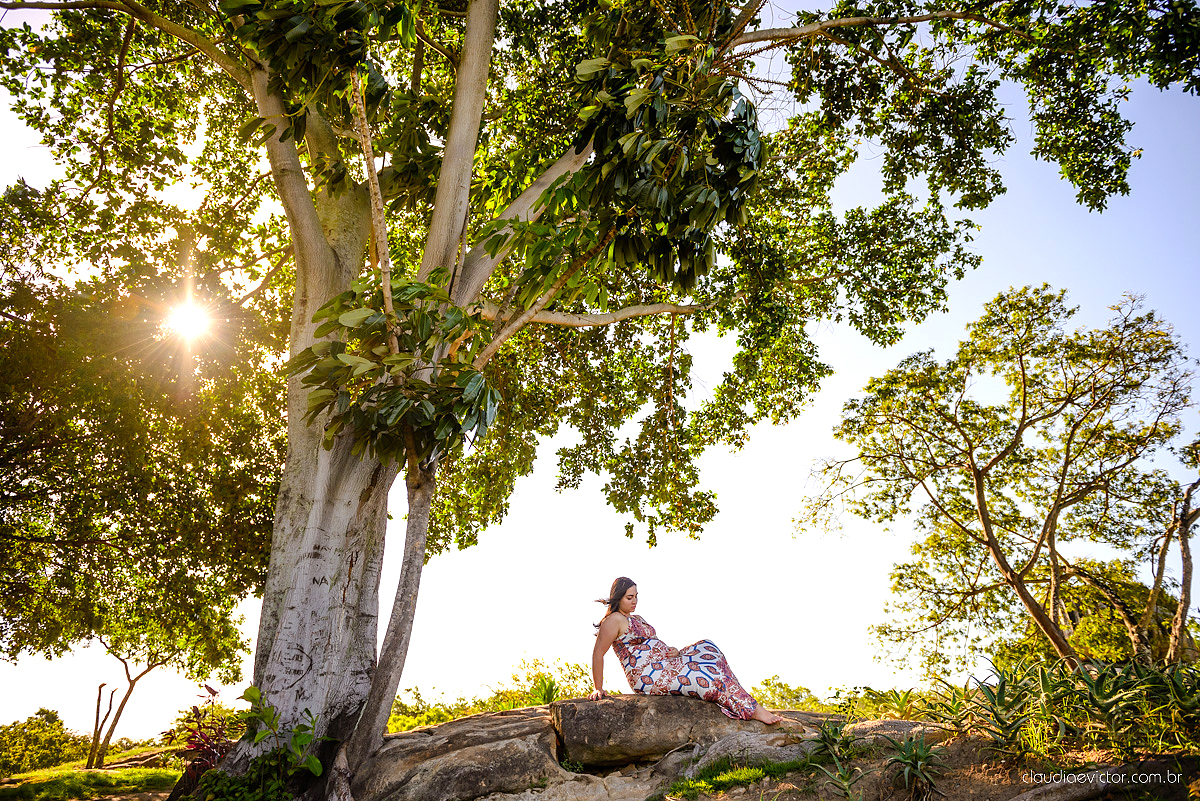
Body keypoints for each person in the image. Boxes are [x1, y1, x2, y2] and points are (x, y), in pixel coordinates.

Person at [587, 576, 784, 724]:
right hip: (649, 675)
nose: (635, 601)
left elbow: (651, 642)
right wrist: (598, 687)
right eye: (629, 597)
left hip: (665, 664)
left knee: (708, 648)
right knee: (707, 675)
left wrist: (671, 650)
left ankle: (742, 701)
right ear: (618, 598)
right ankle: (753, 710)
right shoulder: (613, 620)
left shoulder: (636, 618)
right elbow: (598, 653)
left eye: (636, 596)